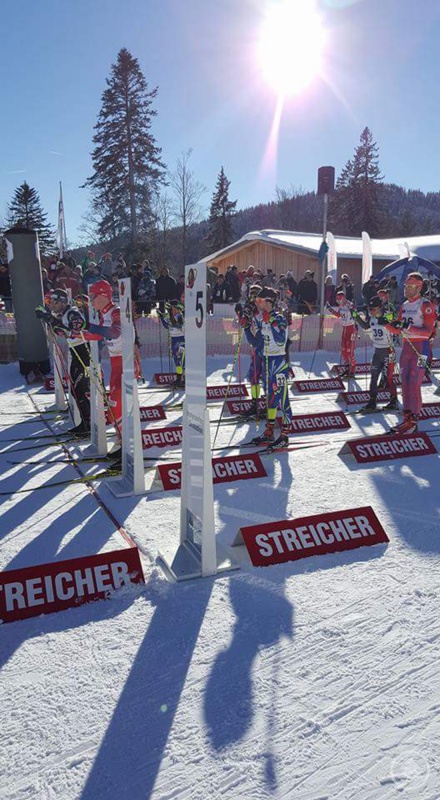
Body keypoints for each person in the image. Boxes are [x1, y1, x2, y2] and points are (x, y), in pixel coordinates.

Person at [35, 288, 92, 436]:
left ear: (62, 301)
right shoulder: (64, 313)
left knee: (79, 390)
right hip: (76, 352)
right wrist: (48, 317)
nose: (52, 305)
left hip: (83, 354)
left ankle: (88, 425)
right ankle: (85, 424)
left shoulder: (72, 313)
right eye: (50, 302)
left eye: (54, 302)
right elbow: (60, 329)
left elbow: (74, 328)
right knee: (75, 390)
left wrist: (50, 318)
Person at [386, 272, 436, 434]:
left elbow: (427, 333)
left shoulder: (425, 305)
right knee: (405, 384)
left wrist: (407, 327)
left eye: (411, 286)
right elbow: (398, 330)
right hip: (407, 347)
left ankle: (414, 420)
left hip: (421, 348)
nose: (407, 290)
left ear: (419, 287)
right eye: (406, 286)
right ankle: (406, 419)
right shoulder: (405, 305)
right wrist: (386, 324)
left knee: (414, 383)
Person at [244, 287, 293, 450]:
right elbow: (255, 342)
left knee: (283, 399)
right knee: (270, 399)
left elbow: (280, 340)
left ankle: (285, 435)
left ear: (268, 302)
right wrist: (245, 328)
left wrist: (270, 322)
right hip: (267, 362)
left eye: (260, 301)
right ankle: (270, 431)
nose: (258, 303)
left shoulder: (279, 318)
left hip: (278, 364)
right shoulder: (261, 319)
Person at [352, 296, 398, 412]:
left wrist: (388, 318)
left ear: (380, 308)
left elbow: (395, 319)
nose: (371, 311)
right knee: (373, 376)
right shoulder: (371, 318)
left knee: (388, 378)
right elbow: (365, 326)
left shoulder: (387, 315)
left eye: (374, 309)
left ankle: (393, 400)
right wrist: (355, 316)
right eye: (370, 309)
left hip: (388, 351)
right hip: (377, 352)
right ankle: (372, 401)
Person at [235, 285, 265, 419]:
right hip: (258, 350)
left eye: (256, 296)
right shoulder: (251, 309)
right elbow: (252, 340)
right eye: (251, 295)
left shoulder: (265, 312)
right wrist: (244, 323)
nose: (253, 299)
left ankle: (270, 403)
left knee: (266, 379)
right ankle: (255, 403)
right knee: (253, 377)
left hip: (268, 351)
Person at [326, 289, 357, 377]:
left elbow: (355, 314)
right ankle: (347, 368)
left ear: (343, 298)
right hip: (344, 329)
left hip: (351, 329)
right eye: (337, 300)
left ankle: (353, 369)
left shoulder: (349, 304)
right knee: (343, 350)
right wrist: (329, 309)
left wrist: (355, 322)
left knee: (349, 350)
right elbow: (339, 315)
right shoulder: (341, 306)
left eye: (339, 300)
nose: (338, 302)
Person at [157, 299, 185, 388]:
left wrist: (169, 314)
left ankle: (183, 378)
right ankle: (179, 378)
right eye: (171, 309)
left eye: (173, 308)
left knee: (181, 359)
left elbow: (177, 325)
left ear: (176, 308)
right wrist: (161, 317)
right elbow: (167, 326)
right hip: (173, 340)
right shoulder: (171, 316)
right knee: (176, 361)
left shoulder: (179, 316)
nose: (172, 310)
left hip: (180, 340)